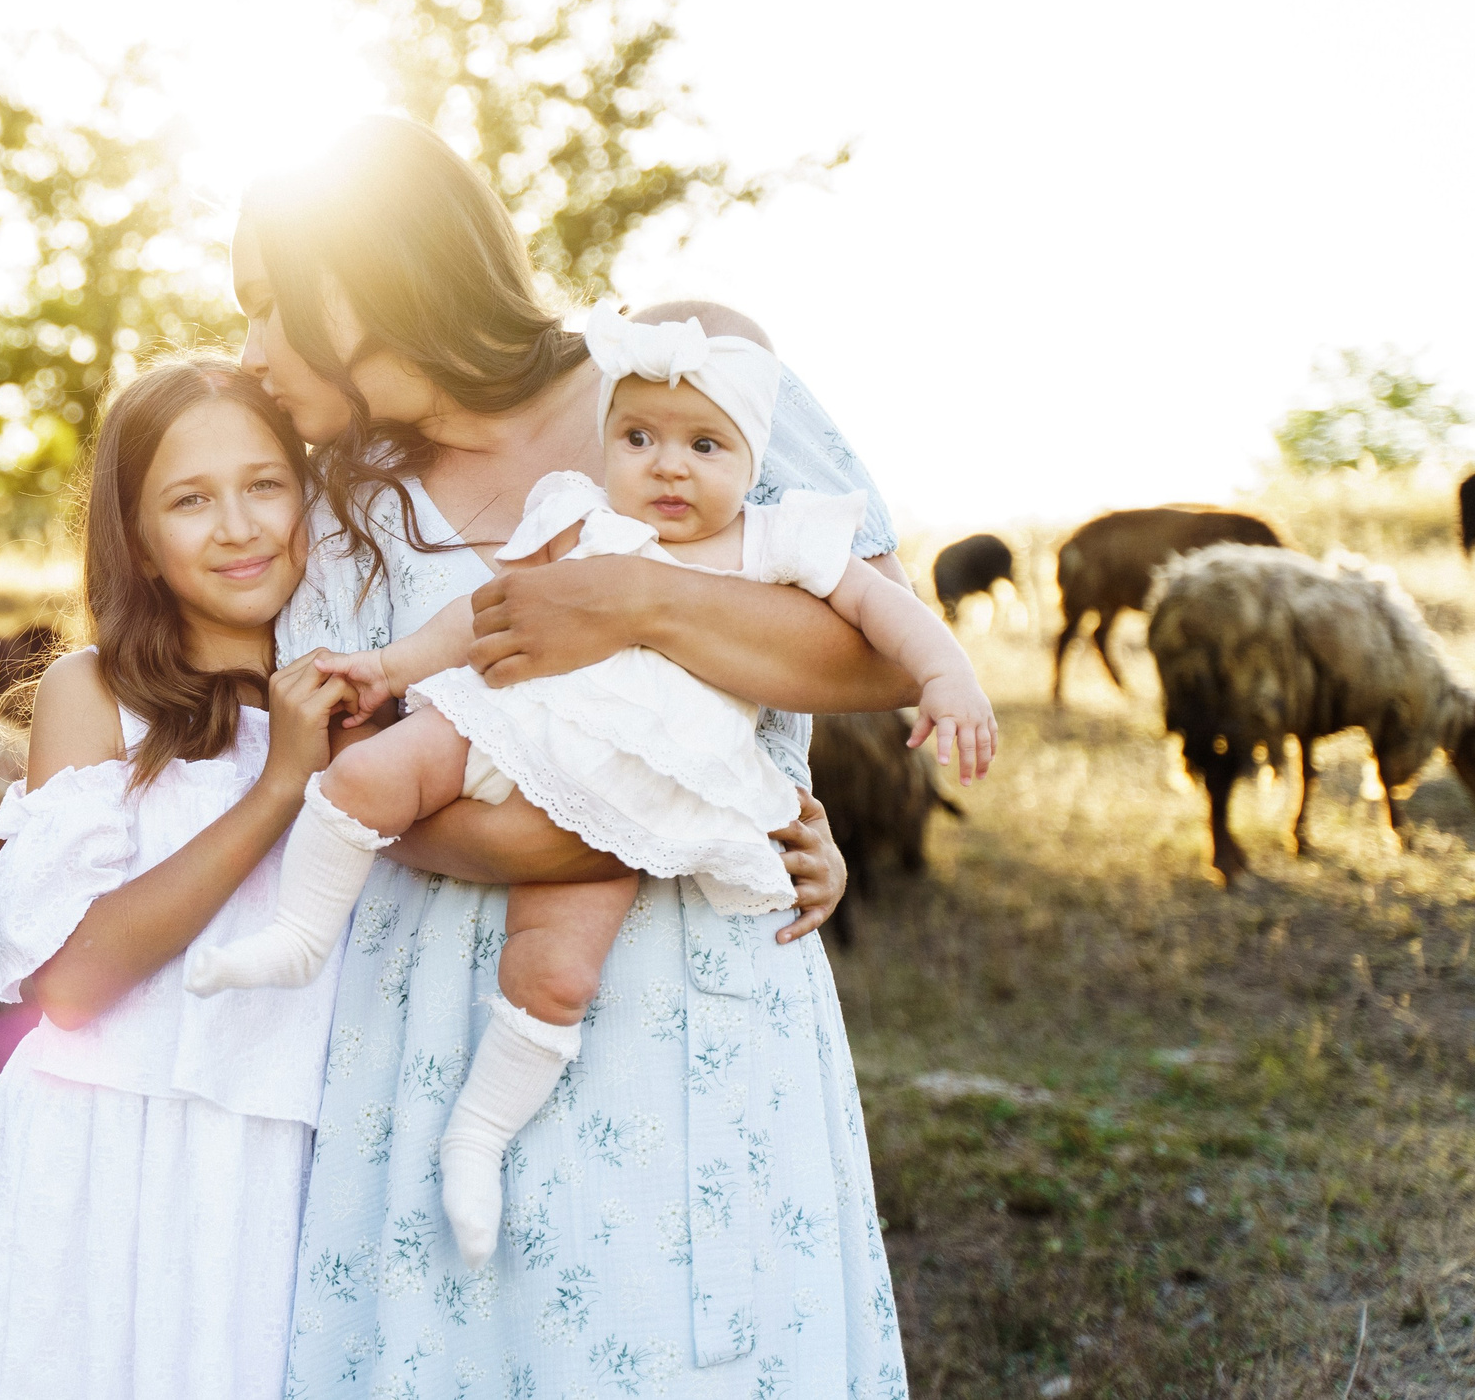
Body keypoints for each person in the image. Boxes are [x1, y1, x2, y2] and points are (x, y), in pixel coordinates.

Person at [244, 115, 916, 1397]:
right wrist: (694, 825)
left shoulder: (679, 372)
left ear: (350, 281)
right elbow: (369, 790)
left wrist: (635, 602)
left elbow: (882, 648)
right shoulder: (334, 509)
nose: (251, 351)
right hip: (439, 1021)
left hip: (691, 1010)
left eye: (267, 304)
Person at [194, 301, 995, 1266]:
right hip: (507, 732)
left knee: (555, 975)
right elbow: (482, 616)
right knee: (371, 772)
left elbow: (886, 620)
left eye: (705, 445)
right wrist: (394, 667)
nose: (669, 465)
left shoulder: (778, 539)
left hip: (638, 798)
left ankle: (477, 1136)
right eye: (640, 438)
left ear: (754, 455)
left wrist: (947, 678)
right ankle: (296, 935)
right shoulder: (576, 513)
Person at [0, 357, 357, 1400]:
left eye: (265, 484)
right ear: (140, 540)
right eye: (190, 499)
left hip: (290, 1152)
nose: (239, 527)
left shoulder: (367, 687)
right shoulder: (97, 694)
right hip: (113, 1151)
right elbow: (70, 984)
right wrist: (278, 786)